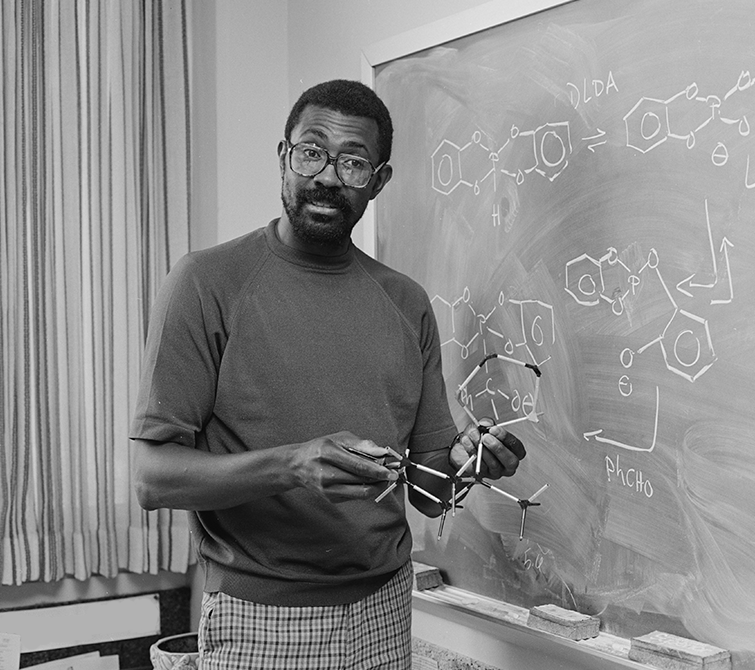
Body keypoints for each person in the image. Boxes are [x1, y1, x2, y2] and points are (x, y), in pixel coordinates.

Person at [129, 79, 527, 669]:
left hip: (387, 610)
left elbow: (429, 489)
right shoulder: (205, 284)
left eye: (353, 162)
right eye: (311, 151)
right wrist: (294, 464)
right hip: (259, 621)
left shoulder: (407, 303)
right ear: (283, 156)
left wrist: (474, 464)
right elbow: (151, 478)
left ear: (379, 181)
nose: (327, 176)